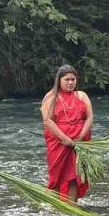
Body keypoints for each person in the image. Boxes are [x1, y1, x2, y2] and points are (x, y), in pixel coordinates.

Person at [41, 65, 93, 202]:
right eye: (67, 79)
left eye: (73, 79)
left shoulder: (81, 95)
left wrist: (80, 137)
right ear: (59, 80)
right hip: (59, 142)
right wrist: (65, 139)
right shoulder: (51, 97)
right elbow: (48, 120)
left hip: (79, 142)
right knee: (56, 176)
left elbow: (89, 117)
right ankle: (56, 207)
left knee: (75, 177)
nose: (70, 83)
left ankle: (72, 207)